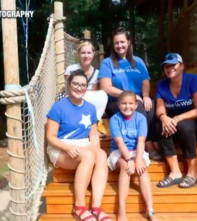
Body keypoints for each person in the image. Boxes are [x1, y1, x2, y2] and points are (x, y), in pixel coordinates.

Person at [46, 69, 111, 221]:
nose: (79, 87)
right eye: (75, 83)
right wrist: (68, 148)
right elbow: (50, 137)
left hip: (83, 143)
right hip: (61, 146)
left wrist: (96, 151)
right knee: (88, 156)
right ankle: (80, 207)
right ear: (69, 84)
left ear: (86, 87)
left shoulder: (90, 107)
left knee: (101, 155)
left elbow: (93, 134)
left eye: (82, 85)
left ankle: (96, 207)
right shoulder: (58, 107)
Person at [98, 27, 161, 160]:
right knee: (137, 106)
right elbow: (106, 87)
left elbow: (145, 81)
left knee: (153, 107)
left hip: (138, 97)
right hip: (117, 100)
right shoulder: (107, 63)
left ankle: (158, 143)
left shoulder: (138, 61)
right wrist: (129, 96)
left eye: (122, 42)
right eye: (116, 43)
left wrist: (145, 96)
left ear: (128, 42)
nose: (119, 45)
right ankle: (147, 146)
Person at [155, 53, 197, 188]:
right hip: (176, 126)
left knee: (184, 125)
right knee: (160, 125)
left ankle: (192, 173)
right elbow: (160, 109)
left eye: (173, 65)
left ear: (181, 66)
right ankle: (175, 172)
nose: (169, 68)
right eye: (166, 66)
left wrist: (177, 118)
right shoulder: (161, 85)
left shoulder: (194, 80)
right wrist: (164, 118)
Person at [106, 91, 158, 221]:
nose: (127, 106)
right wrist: (129, 159)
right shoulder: (115, 119)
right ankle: (121, 211)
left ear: (136, 105)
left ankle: (150, 210)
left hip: (137, 150)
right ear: (118, 105)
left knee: (142, 170)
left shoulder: (140, 118)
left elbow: (141, 141)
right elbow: (119, 142)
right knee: (126, 167)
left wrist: (138, 159)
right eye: (123, 103)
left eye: (130, 103)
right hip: (119, 150)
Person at [64, 41, 108, 137]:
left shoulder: (96, 73)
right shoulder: (71, 69)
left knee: (102, 94)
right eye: (83, 53)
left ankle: (94, 124)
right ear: (78, 54)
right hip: (72, 98)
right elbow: (70, 90)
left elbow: (94, 92)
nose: (86, 56)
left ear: (93, 54)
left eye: (89, 53)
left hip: (86, 100)